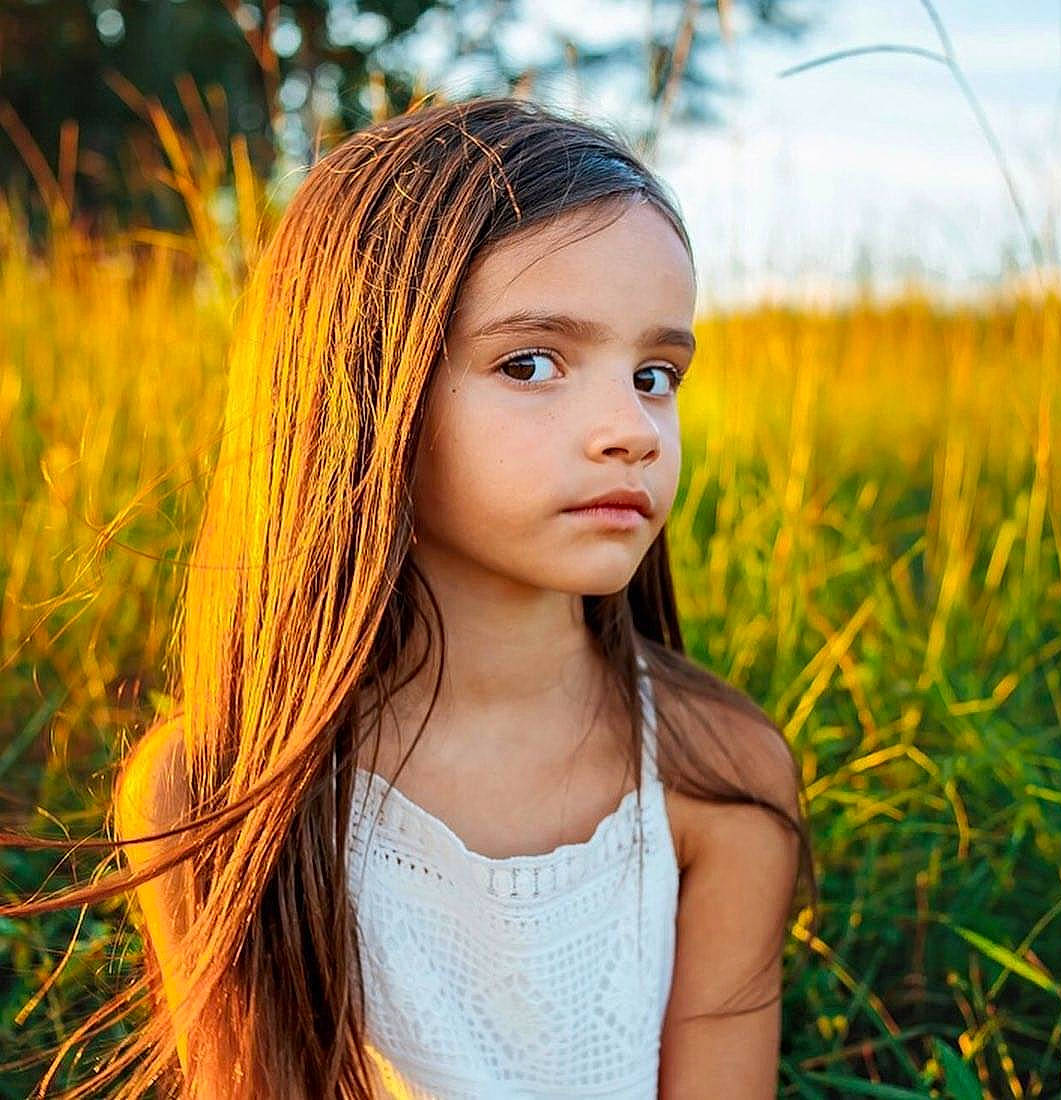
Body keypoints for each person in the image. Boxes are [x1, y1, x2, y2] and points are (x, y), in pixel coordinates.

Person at [1, 94, 818, 1099]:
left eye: (655, 371)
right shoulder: (211, 791)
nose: (631, 427)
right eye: (530, 363)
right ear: (361, 389)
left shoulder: (719, 772)